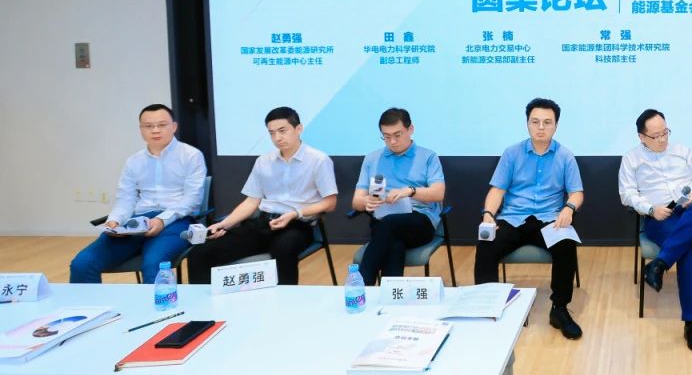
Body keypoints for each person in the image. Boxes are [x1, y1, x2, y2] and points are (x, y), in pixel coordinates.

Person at [185, 107, 337, 286]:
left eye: (282, 131)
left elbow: (330, 203)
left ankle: (285, 301)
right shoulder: (263, 161)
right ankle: (204, 302)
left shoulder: (319, 160)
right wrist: (223, 224)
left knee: (283, 250)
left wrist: (295, 213)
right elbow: (251, 201)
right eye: (272, 133)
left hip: (297, 225)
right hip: (263, 223)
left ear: (299, 129)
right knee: (200, 254)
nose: (277, 138)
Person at [475, 98, 585, 340]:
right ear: (527, 124)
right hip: (514, 218)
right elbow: (497, 190)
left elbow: (577, 193)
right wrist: (488, 214)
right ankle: (488, 306)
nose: (541, 127)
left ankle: (559, 309)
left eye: (547, 122)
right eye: (535, 122)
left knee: (566, 245)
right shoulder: (512, 153)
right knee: (486, 244)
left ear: (556, 125)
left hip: (549, 220)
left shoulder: (565, 156)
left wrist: (568, 208)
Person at [69, 104, 207, 284]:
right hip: (137, 223)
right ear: (141, 130)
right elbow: (125, 199)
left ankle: (160, 304)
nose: (155, 130)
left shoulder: (191, 156)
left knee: (154, 264)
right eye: (148, 126)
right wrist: (115, 221)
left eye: (162, 125)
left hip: (176, 221)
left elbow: (192, 200)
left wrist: (162, 220)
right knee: (82, 263)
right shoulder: (134, 161)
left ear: (174, 126)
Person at [619, 108, 692, 356]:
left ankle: (660, 263)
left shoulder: (683, 151)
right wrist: (651, 209)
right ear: (642, 137)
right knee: (691, 250)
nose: (663, 139)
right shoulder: (631, 159)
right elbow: (627, 194)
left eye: (665, 132)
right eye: (656, 136)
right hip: (661, 217)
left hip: (691, 211)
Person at [350, 107, 445, 284]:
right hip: (384, 222)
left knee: (388, 226)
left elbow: (438, 193)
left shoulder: (428, 157)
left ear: (410, 129)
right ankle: (391, 295)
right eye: (386, 136)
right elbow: (356, 201)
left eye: (397, 135)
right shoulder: (372, 159)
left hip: (419, 222)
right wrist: (365, 201)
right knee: (394, 244)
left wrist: (410, 191)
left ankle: (362, 286)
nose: (392, 142)